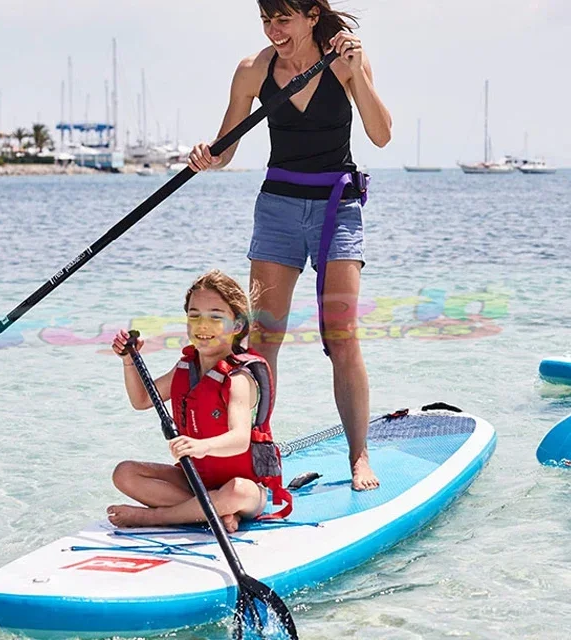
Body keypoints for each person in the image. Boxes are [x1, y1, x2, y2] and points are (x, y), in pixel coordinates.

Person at [187, 0, 392, 490]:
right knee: (264, 339)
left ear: (312, 16)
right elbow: (227, 145)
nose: (273, 30)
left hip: (337, 209)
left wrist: (354, 74)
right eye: (266, 20)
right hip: (277, 208)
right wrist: (206, 157)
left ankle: (359, 456)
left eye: (283, 19)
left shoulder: (348, 59)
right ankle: (258, 451)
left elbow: (381, 136)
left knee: (341, 337)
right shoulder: (254, 70)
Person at [108, 270, 292, 533]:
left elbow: (239, 440)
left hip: (245, 490)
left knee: (237, 492)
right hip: (197, 481)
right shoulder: (185, 368)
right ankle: (214, 513)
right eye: (194, 316)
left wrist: (201, 446)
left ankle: (157, 517)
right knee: (124, 473)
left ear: (237, 326)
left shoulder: (238, 378)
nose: (203, 326)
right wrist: (129, 360)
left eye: (216, 317)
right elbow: (141, 399)